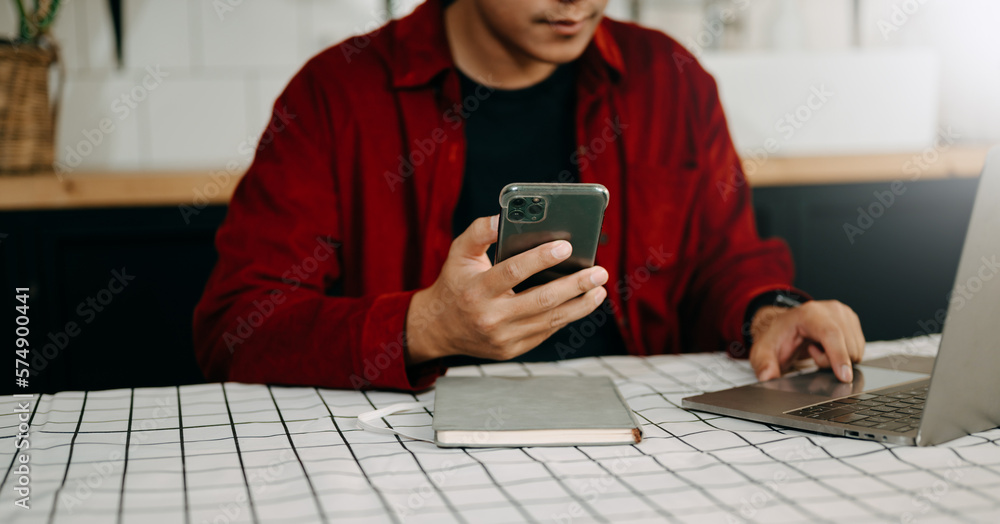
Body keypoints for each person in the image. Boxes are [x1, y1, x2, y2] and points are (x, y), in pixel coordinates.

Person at [193, 0, 866, 391]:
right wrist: (422, 327)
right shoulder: (336, 94)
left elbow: (727, 261)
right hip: (409, 452)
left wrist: (771, 313)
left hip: (637, 442)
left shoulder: (671, 79)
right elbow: (238, 327)